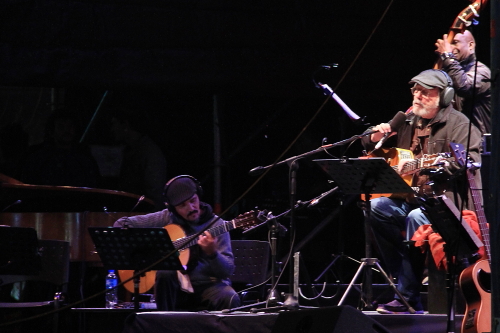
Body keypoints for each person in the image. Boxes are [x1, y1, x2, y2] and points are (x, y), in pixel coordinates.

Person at [361, 69, 482, 314]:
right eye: (415, 90)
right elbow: (367, 143)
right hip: (410, 196)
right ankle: (406, 279)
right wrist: (374, 135)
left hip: (446, 204)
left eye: (425, 92)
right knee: (376, 208)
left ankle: (407, 296)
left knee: (415, 218)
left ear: (445, 96)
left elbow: (467, 161)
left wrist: (441, 165)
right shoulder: (407, 120)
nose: (417, 96)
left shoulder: (460, 124)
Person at [113, 175, 241, 311]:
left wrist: (213, 254)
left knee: (229, 297)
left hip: (208, 285)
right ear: (173, 208)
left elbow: (226, 271)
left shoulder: (217, 225)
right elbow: (121, 224)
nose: (191, 208)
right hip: (175, 288)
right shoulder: (166, 217)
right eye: (182, 206)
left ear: (199, 195)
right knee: (165, 273)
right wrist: (149, 248)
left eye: (193, 200)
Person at [20, 108, 100, 188]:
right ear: (52, 131)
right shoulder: (39, 158)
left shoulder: (84, 159)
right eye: (61, 127)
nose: (67, 131)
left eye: (70, 126)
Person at [108, 107, 167, 211]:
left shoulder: (148, 152)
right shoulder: (131, 150)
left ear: (125, 125)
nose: (111, 129)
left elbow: (155, 197)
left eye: (114, 124)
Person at [435, 30, 491, 135]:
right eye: (449, 45)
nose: (450, 48)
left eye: (455, 42)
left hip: (479, 147)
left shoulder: (482, 71)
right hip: (458, 142)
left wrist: (447, 56)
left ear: (470, 45)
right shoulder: (453, 71)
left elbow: (463, 86)